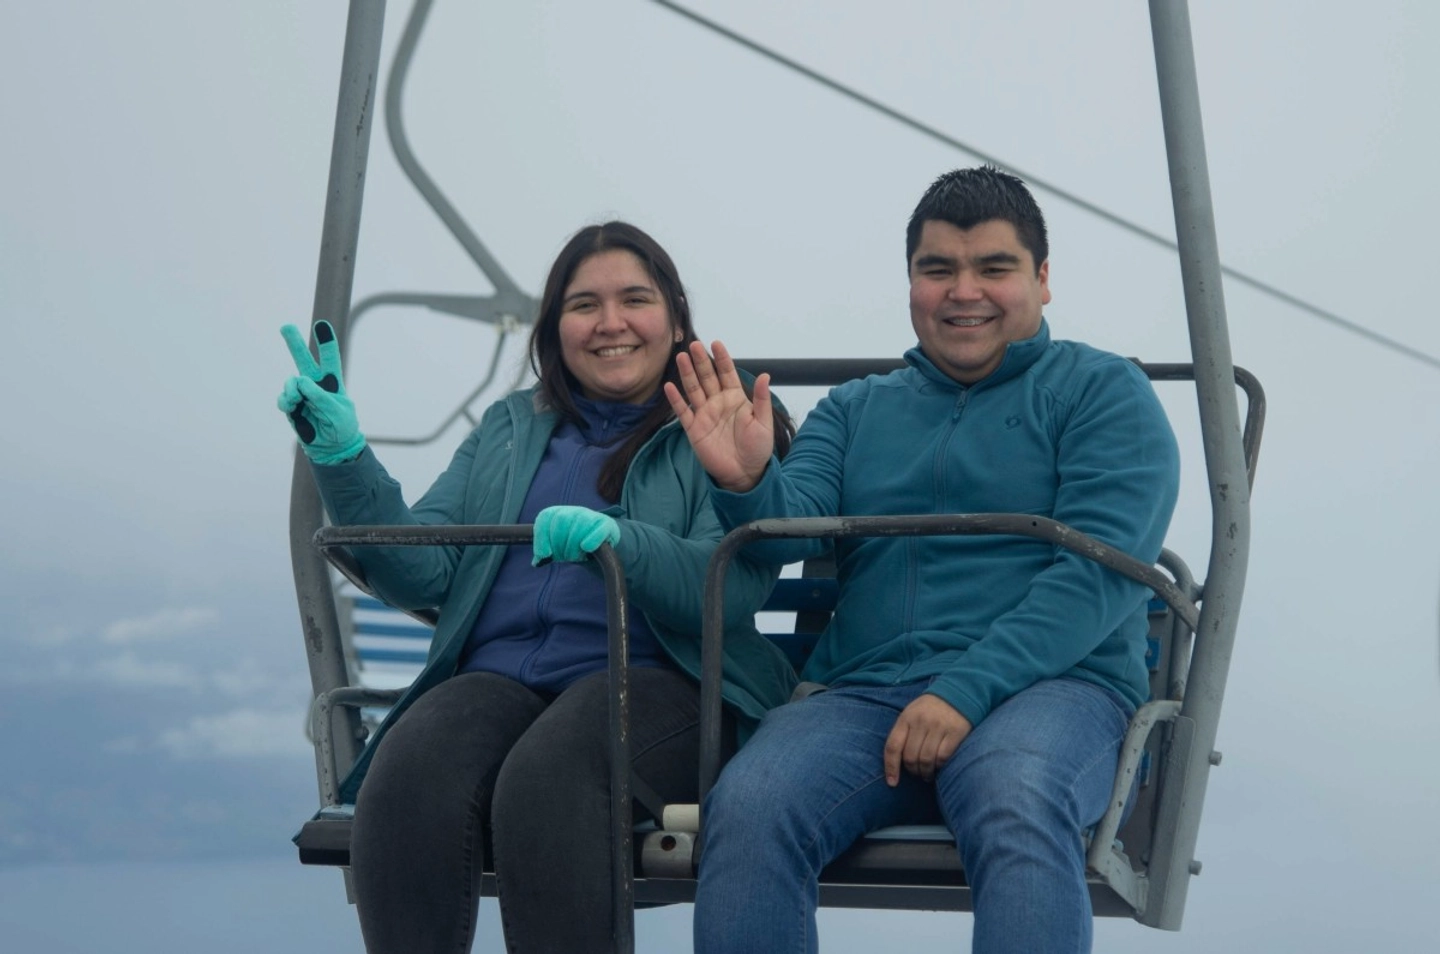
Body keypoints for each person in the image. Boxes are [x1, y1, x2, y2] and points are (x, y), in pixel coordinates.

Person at [665, 167, 1181, 954]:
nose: (962, 291)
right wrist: (745, 480)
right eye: (937, 269)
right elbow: (791, 528)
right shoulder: (857, 408)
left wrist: (963, 693)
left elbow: (1096, 574)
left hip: (1052, 689)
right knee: (753, 803)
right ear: (912, 282)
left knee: (1017, 793)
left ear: (1042, 280)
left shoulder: (1103, 394)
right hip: (865, 698)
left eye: (994, 268)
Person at [278, 221, 797, 953]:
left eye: (634, 300)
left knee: (551, 777)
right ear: (555, 328)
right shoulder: (513, 426)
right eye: (584, 304)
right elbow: (421, 567)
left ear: (675, 316)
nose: (610, 323)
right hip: (502, 678)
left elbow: (729, 590)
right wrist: (344, 459)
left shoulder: (720, 419)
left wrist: (623, 544)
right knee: (408, 771)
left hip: (665, 682)